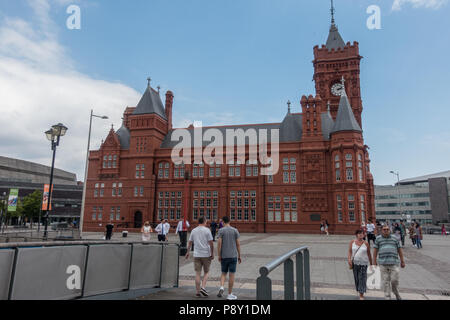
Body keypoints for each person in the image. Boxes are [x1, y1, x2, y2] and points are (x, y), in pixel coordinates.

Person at [373, 224, 406, 300]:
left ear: (390, 230)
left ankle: (396, 293)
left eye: (387, 229)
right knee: (385, 281)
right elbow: (375, 251)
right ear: (381, 230)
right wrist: (374, 261)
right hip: (382, 263)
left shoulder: (395, 238)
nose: (386, 231)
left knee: (394, 280)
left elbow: (400, 250)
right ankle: (387, 297)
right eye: (384, 229)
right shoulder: (378, 239)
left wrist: (402, 261)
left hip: (394, 263)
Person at [185, 217, 214, 298]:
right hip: (206, 254)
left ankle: (197, 292)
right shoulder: (207, 230)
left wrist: (187, 252)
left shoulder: (194, 230)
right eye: (206, 222)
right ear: (204, 222)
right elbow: (211, 243)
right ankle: (203, 288)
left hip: (197, 254)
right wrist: (212, 253)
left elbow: (190, 242)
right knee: (206, 272)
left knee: (197, 273)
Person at [217, 216, 241, 300]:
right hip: (233, 256)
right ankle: (230, 294)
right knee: (231, 275)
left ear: (223, 222)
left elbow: (219, 244)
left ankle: (222, 287)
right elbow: (238, 244)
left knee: (223, 273)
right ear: (229, 221)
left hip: (224, 256)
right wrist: (239, 255)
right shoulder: (235, 230)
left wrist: (219, 255)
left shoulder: (220, 231)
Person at [348, 229, 373, 300]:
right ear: (356, 235)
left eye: (362, 233)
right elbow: (350, 251)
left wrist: (371, 264)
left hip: (363, 264)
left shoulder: (366, 243)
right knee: (357, 278)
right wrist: (349, 259)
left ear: (364, 235)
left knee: (362, 278)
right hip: (355, 263)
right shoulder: (352, 242)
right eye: (359, 233)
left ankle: (361, 294)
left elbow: (369, 254)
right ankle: (359, 290)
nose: (360, 235)